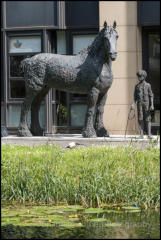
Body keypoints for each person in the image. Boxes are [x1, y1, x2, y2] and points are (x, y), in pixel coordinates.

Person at [131, 70, 154, 138]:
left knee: (148, 118)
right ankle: (141, 134)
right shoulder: (137, 86)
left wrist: (152, 104)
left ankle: (149, 134)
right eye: (138, 76)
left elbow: (151, 95)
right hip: (139, 103)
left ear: (144, 77)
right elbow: (135, 97)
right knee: (140, 118)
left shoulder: (148, 85)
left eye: (140, 76)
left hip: (147, 103)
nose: (139, 78)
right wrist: (133, 104)